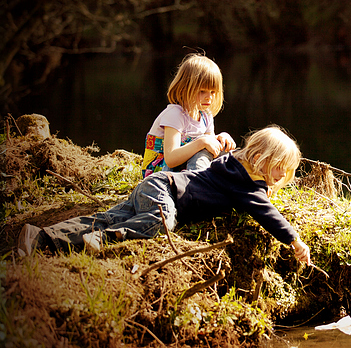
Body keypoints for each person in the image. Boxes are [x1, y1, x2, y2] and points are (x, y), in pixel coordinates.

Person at [17, 125, 312, 265]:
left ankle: (40, 237)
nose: (281, 176)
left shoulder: (232, 164)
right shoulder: (247, 186)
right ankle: (104, 240)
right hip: (165, 193)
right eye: (279, 168)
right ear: (259, 157)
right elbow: (267, 214)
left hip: (158, 184)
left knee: (108, 216)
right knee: (162, 221)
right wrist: (294, 239)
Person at [142, 53, 236, 178]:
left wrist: (220, 139)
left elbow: (209, 149)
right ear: (184, 88)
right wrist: (201, 142)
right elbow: (171, 158)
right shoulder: (175, 114)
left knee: (230, 154)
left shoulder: (205, 116)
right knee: (200, 152)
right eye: (202, 91)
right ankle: (197, 187)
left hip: (187, 166)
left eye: (213, 92)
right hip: (161, 171)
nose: (209, 97)